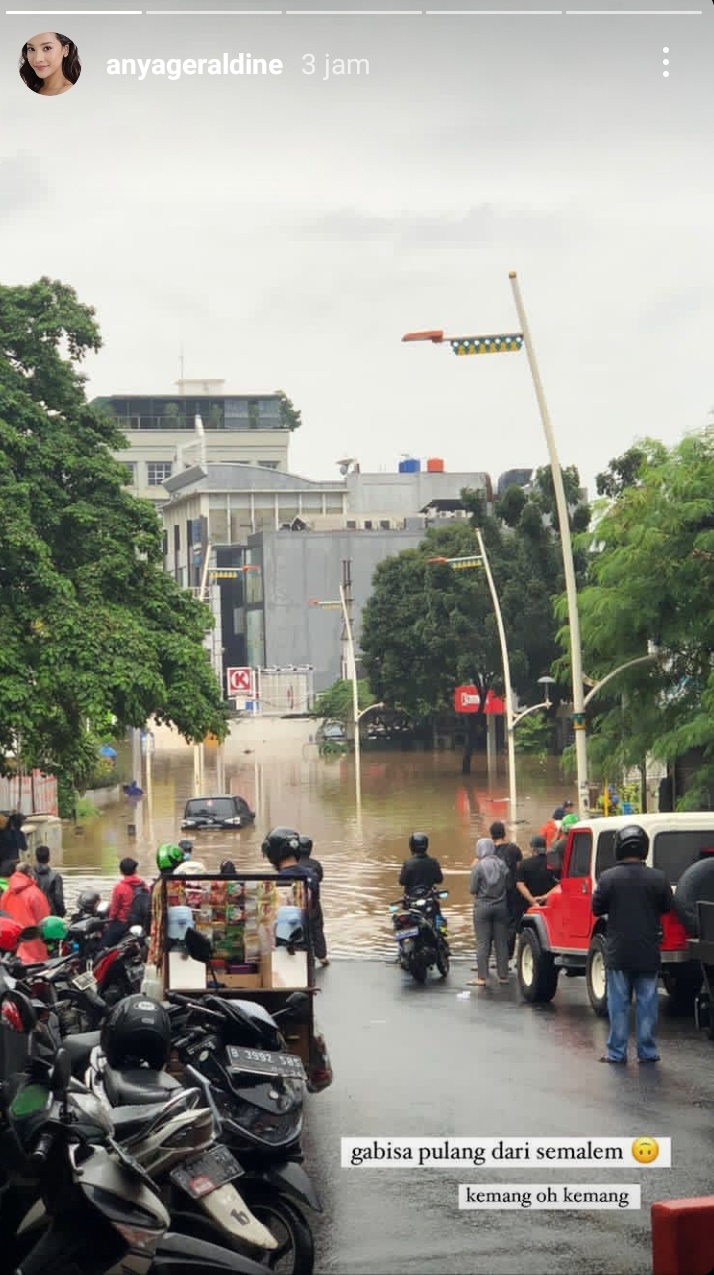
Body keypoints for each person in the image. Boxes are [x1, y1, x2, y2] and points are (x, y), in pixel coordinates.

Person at [592, 824, 674, 1065]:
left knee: (618, 1003)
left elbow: (596, 908)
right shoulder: (658, 878)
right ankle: (647, 1051)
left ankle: (617, 1053)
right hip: (648, 949)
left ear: (619, 847)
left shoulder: (608, 877)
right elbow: (667, 906)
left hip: (618, 951)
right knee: (647, 1002)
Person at [262, 828, 326, 962]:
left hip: (283, 947)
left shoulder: (275, 882)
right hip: (305, 947)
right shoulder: (312, 877)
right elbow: (313, 914)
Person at [468, 838, 510, 987]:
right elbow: (508, 883)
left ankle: (482, 977)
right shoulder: (502, 864)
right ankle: (503, 976)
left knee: (483, 942)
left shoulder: (478, 867)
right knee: (501, 942)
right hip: (501, 907)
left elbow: (472, 889)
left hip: (483, 907)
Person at [0, 862, 50, 962]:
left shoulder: (6, 893)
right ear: (30, 874)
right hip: (33, 947)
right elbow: (45, 921)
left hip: (11, 949)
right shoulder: (35, 893)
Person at [490, 820, 523, 961]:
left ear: (491, 835)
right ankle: (509, 954)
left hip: (494, 893)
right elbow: (520, 869)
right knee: (512, 924)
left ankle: (497, 955)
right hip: (512, 891)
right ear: (504, 833)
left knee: (495, 923)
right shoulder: (514, 849)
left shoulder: (488, 851)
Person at [103, 857, 148, 949]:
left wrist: (109, 923)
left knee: (103, 946)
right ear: (135, 870)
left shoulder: (120, 888)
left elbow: (114, 910)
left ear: (121, 872)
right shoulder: (144, 885)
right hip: (142, 923)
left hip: (123, 923)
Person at [297, 834, 328, 966]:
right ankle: (321, 956)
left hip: (297, 905)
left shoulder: (293, 866)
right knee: (317, 929)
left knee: (299, 930)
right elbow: (319, 879)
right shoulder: (316, 865)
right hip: (314, 904)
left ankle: (301, 955)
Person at [515, 835, 559, 912]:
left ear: (533, 849)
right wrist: (545, 896)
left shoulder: (525, 863)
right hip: (550, 905)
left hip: (530, 908)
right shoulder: (552, 860)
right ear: (545, 848)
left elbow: (520, 885)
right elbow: (560, 883)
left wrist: (533, 901)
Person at [33, 844, 66, 918]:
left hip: (34, 911)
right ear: (49, 858)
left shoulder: (29, 875)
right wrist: (62, 912)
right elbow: (58, 897)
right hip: (50, 911)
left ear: (36, 858)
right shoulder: (55, 876)